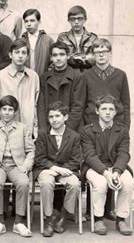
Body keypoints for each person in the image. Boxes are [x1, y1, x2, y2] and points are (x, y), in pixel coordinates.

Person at [0, 95, 35, 237]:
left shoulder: (22, 128)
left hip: (16, 165)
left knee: (23, 182)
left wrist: (26, 165)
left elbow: (31, 150)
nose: (6, 112)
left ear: (15, 112)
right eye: (4, 109)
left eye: (10, 109)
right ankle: (0, 221)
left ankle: (19, 222)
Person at [81, 94, 133, 236]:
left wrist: (116, 172)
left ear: (115, 112)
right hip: (95, 167)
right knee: (101, 183)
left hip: (116, 166)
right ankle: (98, 218)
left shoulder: (122, 130)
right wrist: (106, 173)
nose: (108, 112)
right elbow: (89, 156)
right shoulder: (87, 130)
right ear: (97, 111)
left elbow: (124, 153)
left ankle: (121, 219)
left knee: (128, 182)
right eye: (104, 109)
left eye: (111, 109)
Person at [34, 101, 81, 237]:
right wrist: (54, 168)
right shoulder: (43, 134)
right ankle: (49, 219)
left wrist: (61, 170)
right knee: (47, 183)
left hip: (66, 169)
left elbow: (76, 160)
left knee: (74, 184)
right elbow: (39, 158)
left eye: (57, 116)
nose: (54, 120)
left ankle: (63, 216)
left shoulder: (73, 136)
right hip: (46, 169)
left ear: (65, 117)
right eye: (51, 117)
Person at [0, 39, 40, 139]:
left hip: (27, 129)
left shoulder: (33, 76)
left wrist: (35, 130)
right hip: (6, 130)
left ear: (27, 56)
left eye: (24, 53)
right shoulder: (0, 76)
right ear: (10, 55)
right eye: (17, 52)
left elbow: (35, 105)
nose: (20, 56)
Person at [37, 41, 85, 133]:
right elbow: (41, 107)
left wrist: (65, 130)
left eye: (62, 54)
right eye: (55, 55)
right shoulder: (44, 78)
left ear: (68, 56)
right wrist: (43, 129)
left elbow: (78, 107)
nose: (58, 58)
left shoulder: (77, 76)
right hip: (49, 128)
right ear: (51, 58)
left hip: (70, 129)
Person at [83, 38, 130, 130]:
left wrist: (126, 128)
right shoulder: (85, 75)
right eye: (97, 52)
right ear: (93, 55)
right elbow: (82, 104)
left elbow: (126, 104)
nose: (101, 55)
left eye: (104, 51)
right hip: (92, 126)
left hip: (116, 126)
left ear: (110, 54)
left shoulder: (121, 75)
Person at [57, 5, 98, 71]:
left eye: (79, 18)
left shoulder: (93, 38)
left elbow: (96, 58)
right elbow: (58, 57)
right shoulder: (62, 38)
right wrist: (83, 58)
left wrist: (75, 58)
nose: (76, 22)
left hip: (87, 75)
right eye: (73, 19)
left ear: (85, 19)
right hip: (68, 75)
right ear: (69, 20)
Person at [21, 9, 54, 75]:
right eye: (26, 21)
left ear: (39, 22)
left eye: (32, 21)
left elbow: (54, 61)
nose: (29, 24)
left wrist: (48, 75)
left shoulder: (48, 40)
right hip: (25, 80)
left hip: (43, 80)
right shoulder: (21, 41)